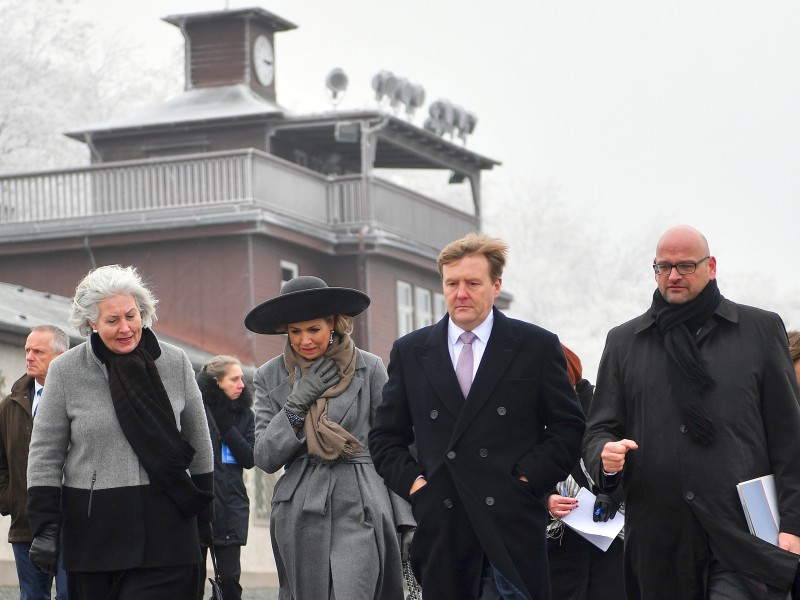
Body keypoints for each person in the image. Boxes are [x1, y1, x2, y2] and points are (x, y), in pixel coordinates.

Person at [583, 224, 800, 599]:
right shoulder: (624, 342)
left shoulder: (760, 330)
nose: (673, 276)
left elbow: (788, 438)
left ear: (711, 266)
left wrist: (793, 523)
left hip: (744, 534)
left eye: (685, 266)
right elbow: (599, 429)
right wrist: (605, 454)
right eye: (663, 267)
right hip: (659, 538)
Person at [369, 232, 586, 599]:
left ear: (496, 285)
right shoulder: (411, 351)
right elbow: (385, 437)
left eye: (472, 283)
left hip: (511, 526)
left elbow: (568, 427)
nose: (461, 293)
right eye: (452, 283)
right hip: (445, 524)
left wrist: (525, 480)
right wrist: (418, 488)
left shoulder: (535, 345)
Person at [26, 265, 214, 600]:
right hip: (95, 534)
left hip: (169, 528)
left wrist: (205, 517)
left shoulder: (175, 362)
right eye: (112, 321)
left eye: (132, 315)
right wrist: (45, 526)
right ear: (92, 324)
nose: (126, 327)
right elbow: (44, 453)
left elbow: (199, 442)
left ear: (144, 313)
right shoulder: (66, 371)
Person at [245, 275, 413, 600]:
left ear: (333, 324)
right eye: (295, 331)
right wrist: (297, 402)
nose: (304, 340)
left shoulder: (370, 367)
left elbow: (394, 445)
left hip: (362, 498)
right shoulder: (270, 375)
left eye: (313, 330)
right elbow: (265, 457)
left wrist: (406, 518)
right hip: (300, 506)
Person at [546, 344, 624, 600]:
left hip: (612, 544)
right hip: (555, 549)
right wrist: (545, 499)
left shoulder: (606, 411)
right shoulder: (525, 416)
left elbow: (636, 464)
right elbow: (513, 475)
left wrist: (612, 495)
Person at [0, 325, 69, 600]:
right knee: (32, 597)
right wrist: (9, 499)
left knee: (71, 594)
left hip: (71, 525)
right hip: (25, 523)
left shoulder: (78, 399)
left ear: (60, 356)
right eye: (28, 350)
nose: (29, 356)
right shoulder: (11, 405)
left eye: (38, 351)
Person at [196, 355, 255, 600]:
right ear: (217, 382)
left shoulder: (245, 416)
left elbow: (249, 458)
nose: (242, 384)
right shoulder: (195, 410)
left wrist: (227, 427)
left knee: (229, 581)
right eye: (234, 379)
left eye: (241, 378)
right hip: (197, 510)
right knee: (191, 584)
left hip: (231, 509)